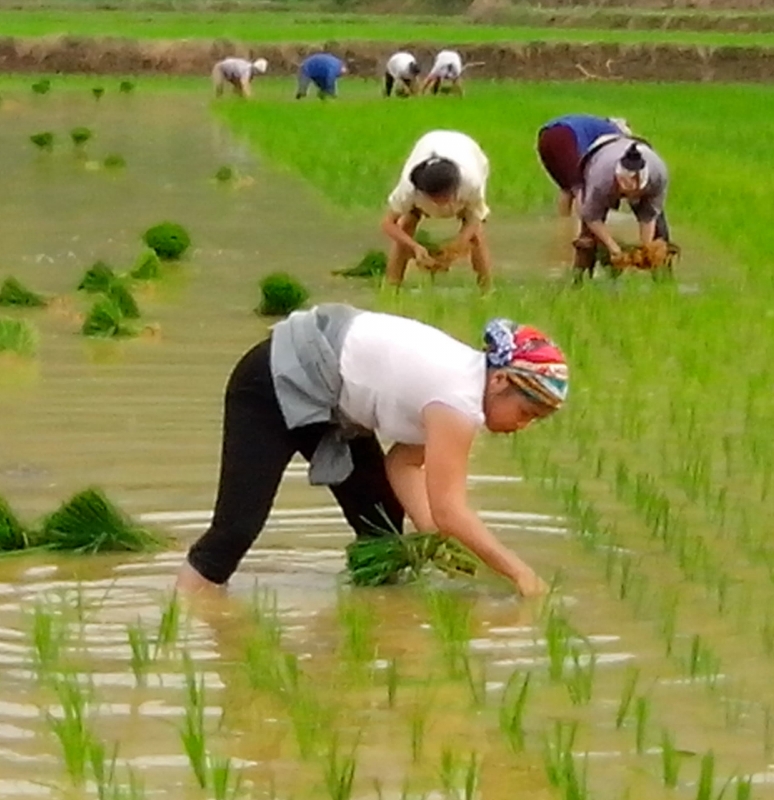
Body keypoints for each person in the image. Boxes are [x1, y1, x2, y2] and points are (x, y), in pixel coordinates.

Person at [176, 307, 566, 598]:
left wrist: (431, 538)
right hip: (273, 383)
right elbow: (451, 510)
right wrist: (520, 575)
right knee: (235, 529)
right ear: (499, 380)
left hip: (329, 402)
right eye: (525, 412)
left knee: (380, 523)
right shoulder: (457, 401)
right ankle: (182, 620)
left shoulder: (460, 387)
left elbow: (404, 461)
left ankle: (379, 625)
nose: (522, 425)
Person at [382, 129, 492, 288]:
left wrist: (458, 245)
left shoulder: (470, 182)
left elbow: (476, 217)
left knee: (475, 235)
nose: (442, 204)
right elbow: (388, 223)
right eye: (436, 199)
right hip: (427, 146)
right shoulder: (409, 189)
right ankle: (392, 287)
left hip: (467, 150)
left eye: (446, 198)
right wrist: (415, 247)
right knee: (407, 223)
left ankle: (486, 290)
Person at [574, 137, 670, 273]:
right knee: (587, 239)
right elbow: (591, 216)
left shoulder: (658, 176)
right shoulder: (601, 179)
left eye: (630, 185)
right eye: (622, 183)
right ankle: (579, 277)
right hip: (598, 156)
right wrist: (613, 248)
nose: (625, 188)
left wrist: (645, 248)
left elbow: (649, 215)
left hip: (638, 153)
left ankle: (664, 279)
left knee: (659, 235)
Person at [536, 114, 634, 216]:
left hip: (545, 137)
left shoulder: (598, 126)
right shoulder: (615, 134)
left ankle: (564, 224)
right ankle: (585, 227)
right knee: (582, 188)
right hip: (565, 135)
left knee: (567, 188)